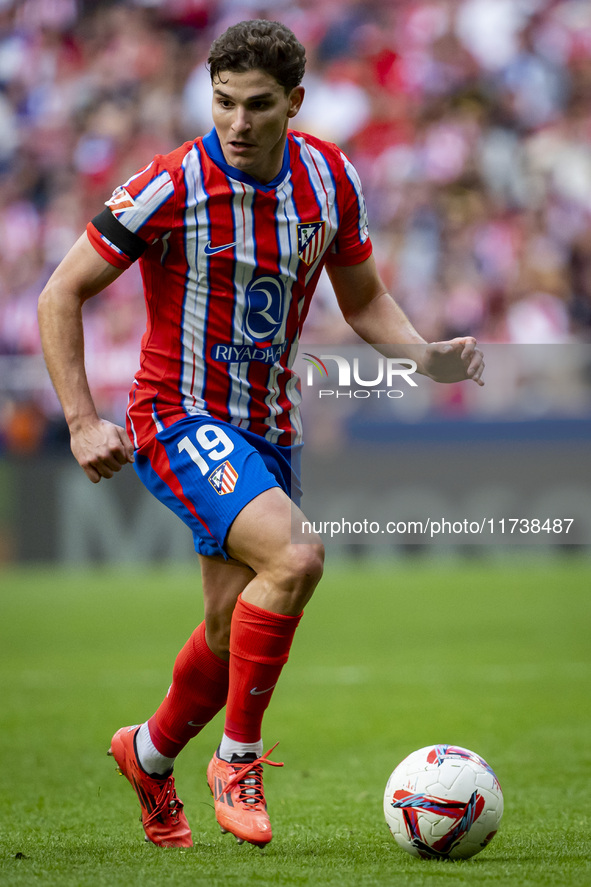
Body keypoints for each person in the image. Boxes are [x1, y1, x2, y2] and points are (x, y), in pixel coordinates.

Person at [37, 19, 484, 850]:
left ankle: (147, 750)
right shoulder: (170, 184)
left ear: (295, 104)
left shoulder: (330, 178)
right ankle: (235, 759)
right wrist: (81, 418)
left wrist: (424, 356)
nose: (237, 122)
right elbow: (60, 293)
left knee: (224, 628)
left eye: (257, 105)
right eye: (222, 103)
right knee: (296, 557)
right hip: (177, 414)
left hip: (269, 425)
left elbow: (362, 301)